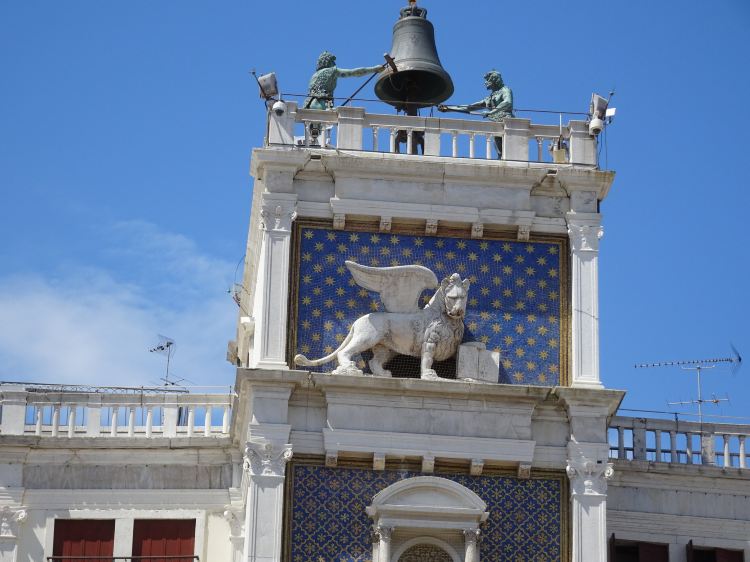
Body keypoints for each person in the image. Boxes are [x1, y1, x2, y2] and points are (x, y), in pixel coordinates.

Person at [438, 70, 513, 158]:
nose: (485, 83)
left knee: (506, 152)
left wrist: (491, 112)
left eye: (488, 80)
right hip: (496, 124)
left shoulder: (505, 90)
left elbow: (507, 102)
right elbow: (470, 107)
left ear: (495, 80)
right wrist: (449, 108)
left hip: (506, 122)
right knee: (500, 152)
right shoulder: (490, 97)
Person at [303, 51, 384, 110]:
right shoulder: (332, 71)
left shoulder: (315, 75)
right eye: (332, 61)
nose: (334, 63)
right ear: (328, 61)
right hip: (321, 104)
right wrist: (374, 69)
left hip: (309, 104)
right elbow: (354, 72)